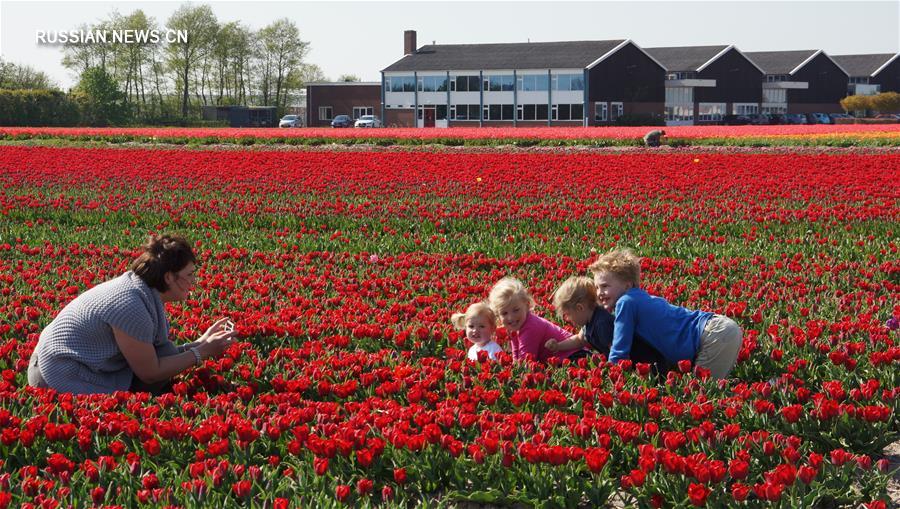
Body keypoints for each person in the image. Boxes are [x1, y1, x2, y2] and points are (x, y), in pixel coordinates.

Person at [28, 234, 237, 395]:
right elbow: (150, 372)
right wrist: (201, 353)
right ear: (168, 277)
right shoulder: (130, 304)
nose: (194, 281)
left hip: (70, 365)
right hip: (57, 374)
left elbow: (152, 356)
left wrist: (201, 343)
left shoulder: (141, 292)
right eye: (189, 274)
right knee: (148, 389)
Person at [589, 248, 743, 379]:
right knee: (705, 389)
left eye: (604, 286)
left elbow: (619, 351)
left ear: (627, 285)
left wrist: (609, 377)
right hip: (717, 329)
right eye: (596, 287)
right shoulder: (643, 298)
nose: (599, 293)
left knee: (702, 393)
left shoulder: (626, 302)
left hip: (714, 335)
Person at [546, 276, 670, 375]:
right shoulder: (589, 321)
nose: (567, 319)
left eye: (567, 314)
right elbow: (579, 340)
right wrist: (558, 346)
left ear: (580, 308)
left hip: (646, 363)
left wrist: (612, 372)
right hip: (633, 364)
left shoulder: (602, 323)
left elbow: (616, 351)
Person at [487, 277, 586, 363]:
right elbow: (517, 357)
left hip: (574, 356)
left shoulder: (531, 326)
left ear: (527, 305)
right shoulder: (515, 326)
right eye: (504, 313)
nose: (511, 317)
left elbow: (525, 362)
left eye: (516, 310)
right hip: (562, 359)